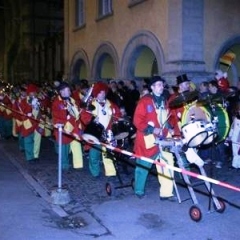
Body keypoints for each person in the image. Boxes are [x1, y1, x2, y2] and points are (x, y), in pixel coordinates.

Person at [133, 75, 176, 201]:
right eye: (158, 85)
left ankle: (167, 193)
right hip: (148, 139)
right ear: (152, 87)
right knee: (143, 166)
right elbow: (137, 120)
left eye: (162, 85)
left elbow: (167, 118)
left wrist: (170, 127)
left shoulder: (164, 100)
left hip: (163, 138)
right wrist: (152, 129)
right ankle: (139, 190)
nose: (161, 87)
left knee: (167, 164)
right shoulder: (144, 101)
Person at [81, 81, 122, 178]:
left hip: (108, 132)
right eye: (100, 92)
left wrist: (118, 119)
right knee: (94, 155)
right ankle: (95, 172)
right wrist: (91, 120)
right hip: (95, 133)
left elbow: (118, 115)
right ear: (96, 93)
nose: (102, 94)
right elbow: (84, 115)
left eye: (103, 92)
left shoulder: (111, 104)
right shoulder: (90, 103)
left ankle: (110, 172)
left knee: (108, 154)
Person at [52, 81, 83, 170]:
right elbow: (55, 115)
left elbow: (77, 112)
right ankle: (64, 165)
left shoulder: (72, 100)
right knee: (64, 148)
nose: (69, 92)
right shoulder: (56, 102)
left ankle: (78, 165)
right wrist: (65, 119)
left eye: (69, 90)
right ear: (61, 92)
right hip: (63, 127)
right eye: (66, 90)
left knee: (76, 145)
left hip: (74, 127)